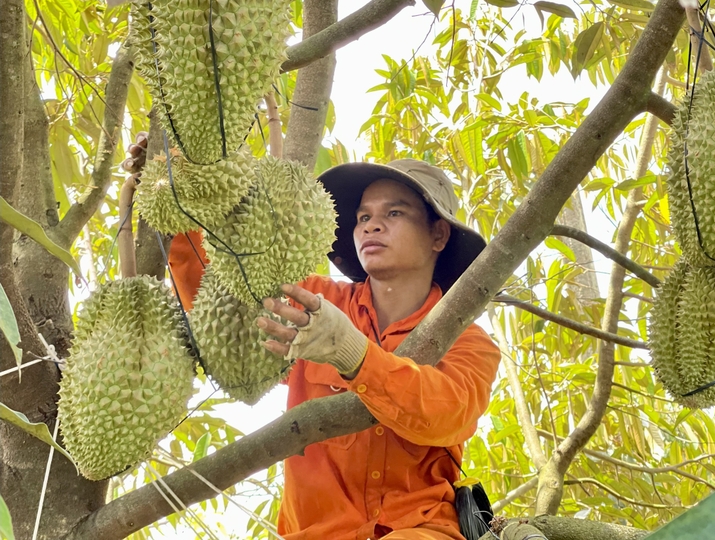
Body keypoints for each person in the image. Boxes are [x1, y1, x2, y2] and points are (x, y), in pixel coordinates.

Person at [125, 140, 501, 540]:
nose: (371, 226)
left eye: (394, 212)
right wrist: (177, 182)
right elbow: (223, 295)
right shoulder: (316, 301)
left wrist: (353, 354)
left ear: (438, 235)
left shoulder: (469, 342)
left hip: (421, 529)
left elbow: (447, 414)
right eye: (363, 217)